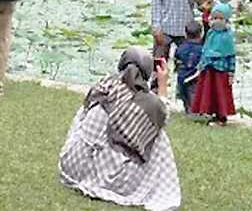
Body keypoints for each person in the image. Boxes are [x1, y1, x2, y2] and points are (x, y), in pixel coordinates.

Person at [58, 48, 181, 211]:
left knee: (85, 112)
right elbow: (163, 116)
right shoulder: (150, 104)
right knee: (158, 134)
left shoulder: (103, 85)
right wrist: (163, 85)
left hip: (73, 166)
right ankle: (165, 187)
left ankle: (86, 169)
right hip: (113, 179)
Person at [188, 1, 236, 126]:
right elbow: (205, 50)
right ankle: (211, 113)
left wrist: (231, 73)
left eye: (221, 18)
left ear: (226, 19)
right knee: (208, 92)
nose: (217, 21)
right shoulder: (210, 33)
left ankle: (222, 117)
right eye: (215, 18)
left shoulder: (228, 36)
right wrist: (201, 64)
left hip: (221, 71)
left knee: (221, 93)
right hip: (208, 69)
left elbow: (231, 56)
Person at [173, 20, 204, 115]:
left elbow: (176, 60)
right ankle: (194, 112)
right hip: (195, 76)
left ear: (185, 34)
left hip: (182, 75)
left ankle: (188, 109)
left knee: (184, 94)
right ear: (201, 34)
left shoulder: (180, 48)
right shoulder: (202, 49)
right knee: (194, 93)